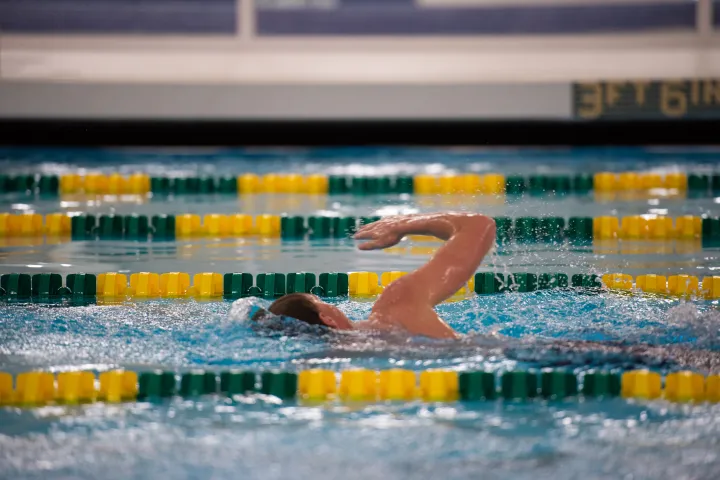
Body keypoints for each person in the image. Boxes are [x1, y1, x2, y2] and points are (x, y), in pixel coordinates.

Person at [265, 212, 496, 339]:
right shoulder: (395, 307)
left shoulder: (334, 362)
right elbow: (479, 225)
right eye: (322, 302)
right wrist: (406, 224)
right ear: (328, 319)